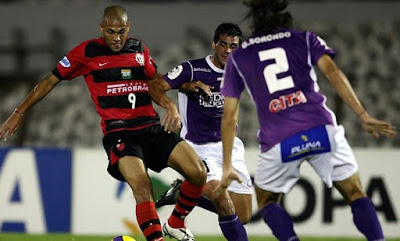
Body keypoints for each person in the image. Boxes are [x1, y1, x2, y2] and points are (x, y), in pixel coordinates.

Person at [0, 5, 206, 241]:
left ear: (128, 28)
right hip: (120, 133)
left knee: (198, 172)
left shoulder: (138, 49)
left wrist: (171, 104)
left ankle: (175, 223)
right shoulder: (86, 52)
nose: (117, 38)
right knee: (142, 185)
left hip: (151, 127)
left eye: (121, 31)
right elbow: (49, 80)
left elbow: (155, 83)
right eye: (111, 32)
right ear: (101, 28)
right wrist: (19, 111)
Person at [219, 1, 397, 241]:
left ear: (253, 22)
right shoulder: (304, 38)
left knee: (266, 200)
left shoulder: (239, 57)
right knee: (355, 192)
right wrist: (363, 116)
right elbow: (333, 72)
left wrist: (228, 164)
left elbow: (230, 116)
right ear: (285, 18)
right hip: (321, 128)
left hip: (279, 139)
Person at [150, 23, 251, 241]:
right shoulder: (193, 69)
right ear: (214, 44)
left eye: (233, 46)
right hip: (199, 149)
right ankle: (191, 188)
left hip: (230, 146)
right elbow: (155, 86)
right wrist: (174, 100)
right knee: (221, 199)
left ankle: (183, 192)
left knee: (242, 215)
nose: (227, 50)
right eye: (223, 44)